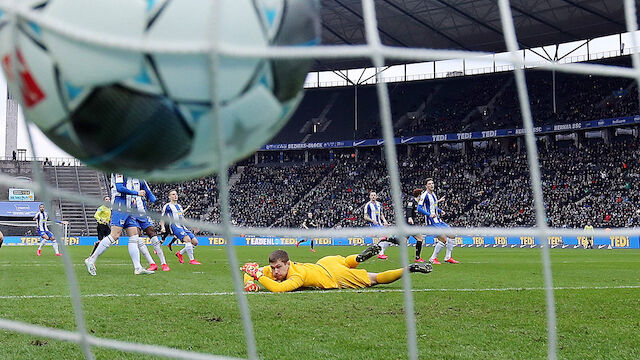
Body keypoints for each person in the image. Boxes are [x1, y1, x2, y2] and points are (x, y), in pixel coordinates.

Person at [241, 245, 432, 293]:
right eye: (273, 269)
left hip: (334, 276)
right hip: (325, 261)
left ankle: (409, 268)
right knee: (349, 261)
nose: (275, 273)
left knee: (376, 278)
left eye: (278, 268)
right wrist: (250, 281)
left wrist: (257, 276)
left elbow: (278, 289)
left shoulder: (297, 275)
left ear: (288, 264)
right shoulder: (277, 269)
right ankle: (358, 257)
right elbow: (250, 271)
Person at [84, 174, 155, 276]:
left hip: (129, 206)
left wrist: (132, 198)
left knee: (134, 236)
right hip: (120, 205)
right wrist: (136, 193)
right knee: (115, 235)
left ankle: (138, 267)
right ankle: (91, 259)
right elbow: (120, 188)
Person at [418, 178, 459, 264]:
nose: (431, 185)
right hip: (431, 222)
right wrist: (429, 214)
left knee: (452, 235)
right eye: (429, 184)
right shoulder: (424, 195)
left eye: (432, 183)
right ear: (426, 186)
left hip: (438, 220)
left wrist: (440, 211)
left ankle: (448, 257)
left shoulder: (433, 194)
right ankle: (433, 258)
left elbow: (434, 206)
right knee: (443, 239)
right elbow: (419, 208)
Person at [161, 190, 201, 265]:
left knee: (195, 242)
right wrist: (162, 227)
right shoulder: (167, 206)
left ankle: (180, 253)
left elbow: (182, 218)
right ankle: (192, 260)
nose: (175, 196)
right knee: (187, 240)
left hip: (183, 226)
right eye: (173, 194)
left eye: (176, 194)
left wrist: (192, 227)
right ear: (169, 197)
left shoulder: (179, 206)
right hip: (174, 226)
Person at [363, 191, 399, 259]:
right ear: (370, 197)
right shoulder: (368, 205)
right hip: (373, 225)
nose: (373, 196)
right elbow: (365, 217)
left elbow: (381, 214)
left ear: (376, 196)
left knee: (387, 238)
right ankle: (380, 253)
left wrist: (385, 221)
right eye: (372, 195)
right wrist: (372, 220)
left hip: (380, 224)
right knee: (385, 237)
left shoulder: (379, 204)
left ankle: (379, 252)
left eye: (374, 195)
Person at [406, 188, 426, 263]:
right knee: (420, 239)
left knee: (403, 241)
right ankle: (417, 258)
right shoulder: (412, 202)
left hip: (412, 224)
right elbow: (408, 210)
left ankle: (388, 239)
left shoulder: (418, 203)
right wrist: (410, 218)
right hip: (409, 224)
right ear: (419, 194)